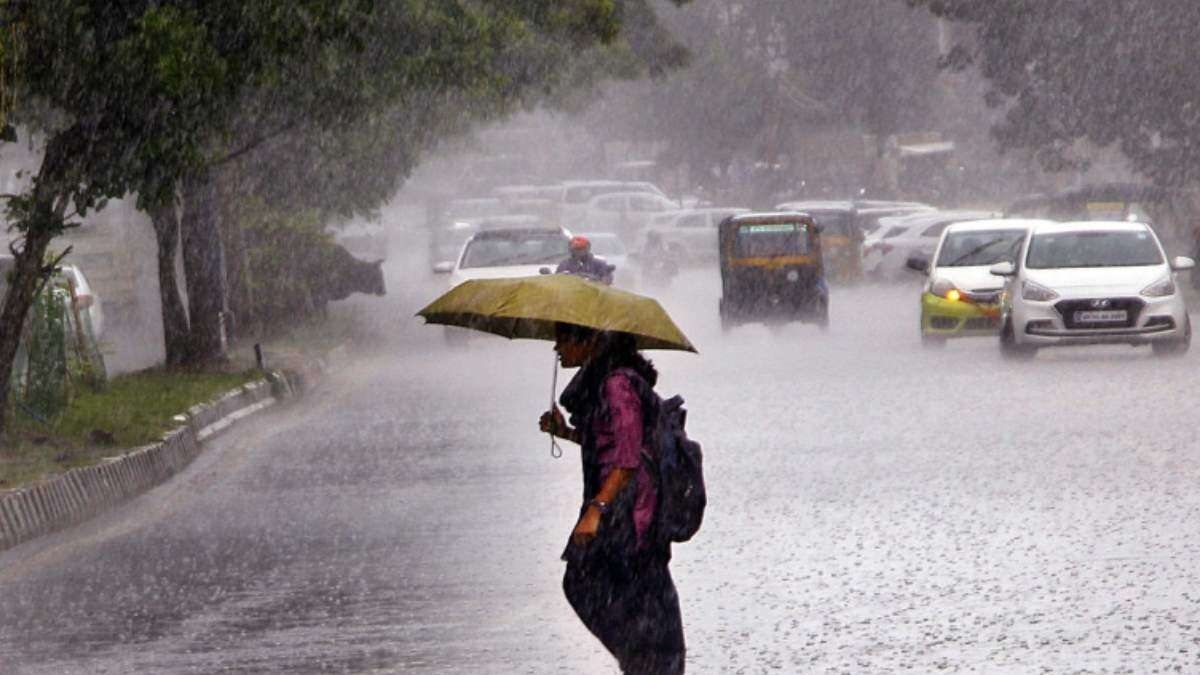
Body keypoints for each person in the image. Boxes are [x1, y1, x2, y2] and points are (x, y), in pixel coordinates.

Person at [540, 323, 686, 674]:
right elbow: (609, 444)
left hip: (631, 512)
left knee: (591, 581)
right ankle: (642, 660)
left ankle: (644, 661)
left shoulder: (617, 385)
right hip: (626, 509)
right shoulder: (607, 383)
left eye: (563, 339)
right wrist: (566, 433)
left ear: (589, 341)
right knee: (633, 592)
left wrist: (596, 509)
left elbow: (627, 457)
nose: (557, 349)